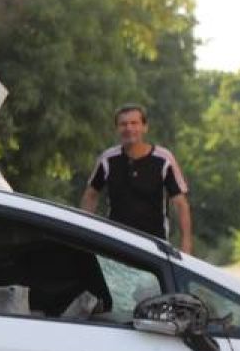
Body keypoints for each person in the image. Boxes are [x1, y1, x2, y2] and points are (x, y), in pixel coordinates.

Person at [79, 104, 193, 252]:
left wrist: (186, 245)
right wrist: (84, 234)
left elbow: (181, 205)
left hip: (154, 245)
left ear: (145, 127)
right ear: (117, 129)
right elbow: (90, 196)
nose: (129, 128)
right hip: (116, 241)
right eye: (123, 124)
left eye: (134, 123)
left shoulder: (163, 159)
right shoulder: (107, 159)